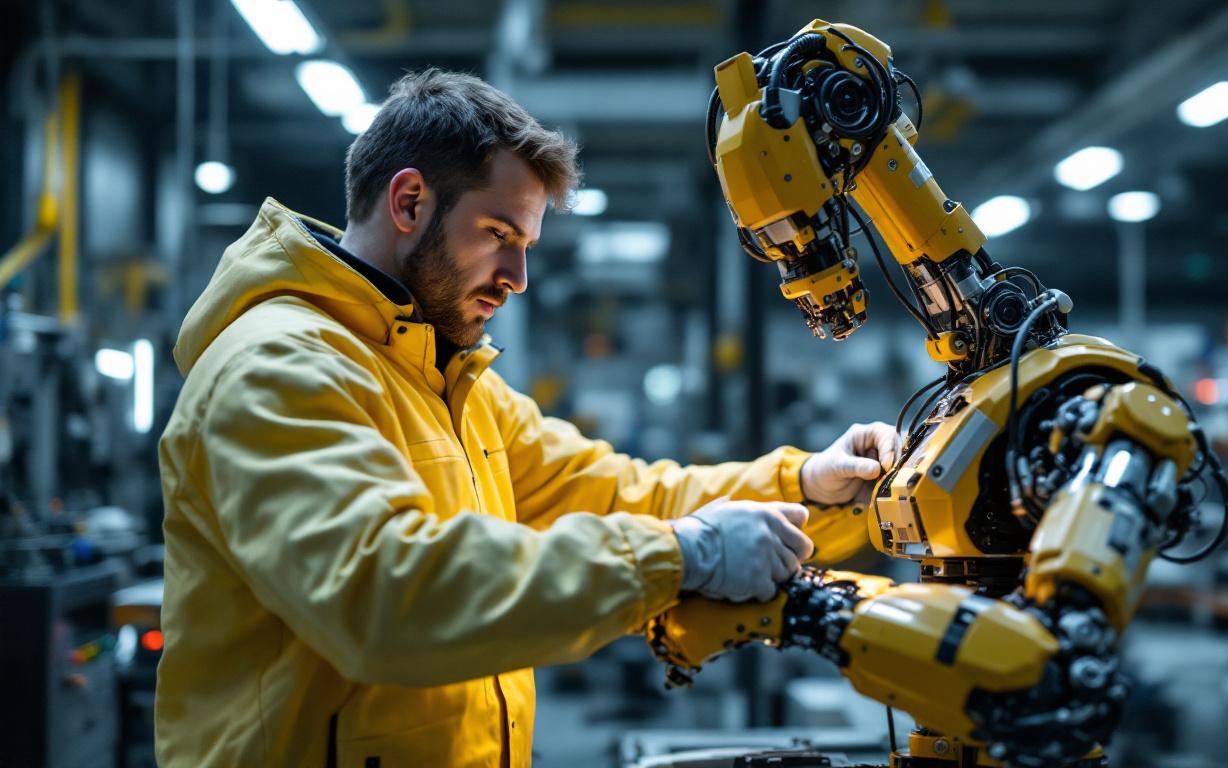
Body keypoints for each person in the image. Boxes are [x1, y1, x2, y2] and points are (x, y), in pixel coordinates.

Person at [155, 69, 897, 767]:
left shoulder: (449, 382)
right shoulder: (278, 367)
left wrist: (807, 482)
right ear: (409, 202)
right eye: (498, 235)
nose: (518, 278)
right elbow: (385, 596)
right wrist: (680, 555)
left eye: (526, 246)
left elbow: (616, 493)